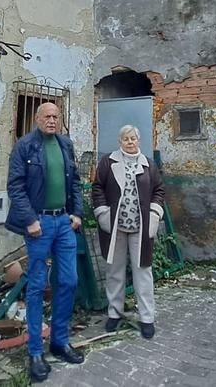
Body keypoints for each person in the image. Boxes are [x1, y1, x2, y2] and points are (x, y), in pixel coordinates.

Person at [5, 102, 85, 383]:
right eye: (47, 116)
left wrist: (76, 212)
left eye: (56, 116)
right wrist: (30, 220)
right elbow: (15, 185)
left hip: (64, 222)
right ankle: (36, 352)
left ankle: (60, 342)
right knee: (38, 286)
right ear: (37, 119)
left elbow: (75, 180)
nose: (52, 120)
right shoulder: (25, 146)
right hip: (38, 224)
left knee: (69, 280)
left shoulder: (65, 144)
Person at [91, 124, 165, 339]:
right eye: (126, 139)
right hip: (115, 226)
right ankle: (114, 313)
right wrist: (103, 213)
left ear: (138, 141)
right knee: (114, 270)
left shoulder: (148, 165)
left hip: (140, 228)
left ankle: (147, 318)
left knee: (143, 271)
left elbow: (159, 190)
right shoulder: (108, 162)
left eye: (133, 138)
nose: (130, 142)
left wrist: (153, 213)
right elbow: (98, 188)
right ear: (120, 142)